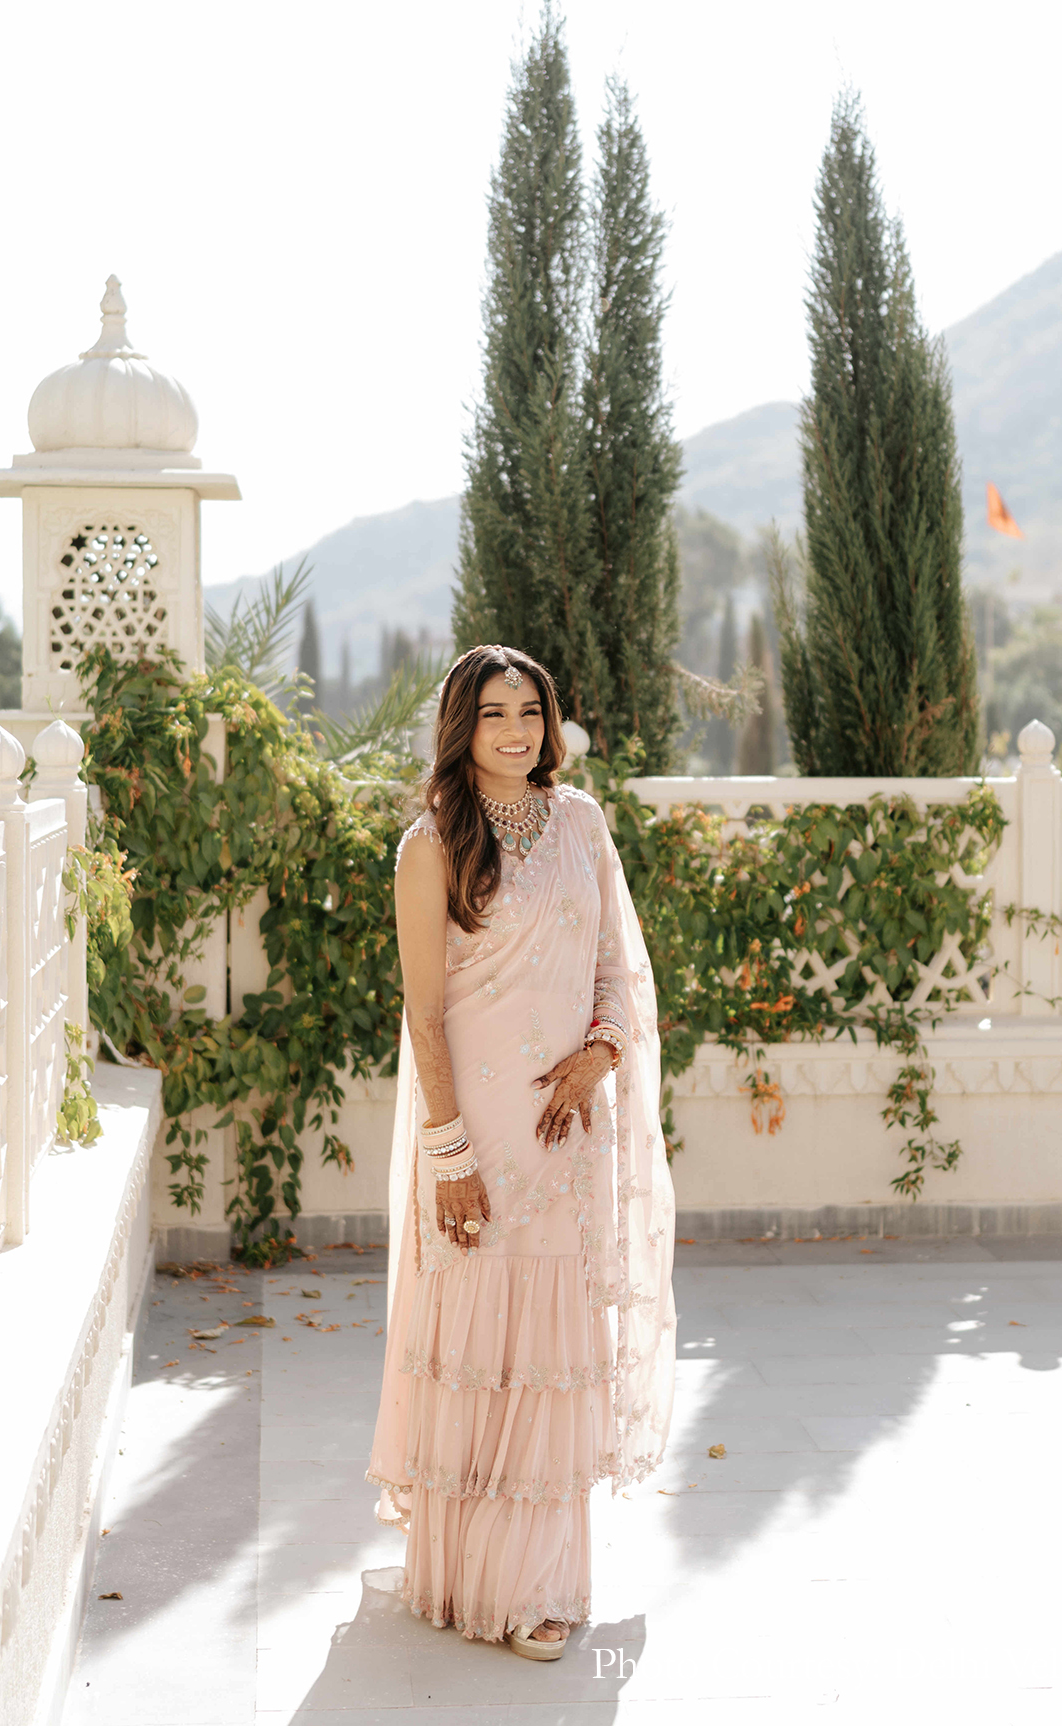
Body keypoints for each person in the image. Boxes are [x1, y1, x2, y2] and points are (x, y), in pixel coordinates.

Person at [365, 643, 676, 1660]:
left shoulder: (582, 823)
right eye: (494, 713)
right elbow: (424, 1015)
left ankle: (540, 1583)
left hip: (565, 1135)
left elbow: (617, 967)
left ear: (549, 724)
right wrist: (449, 1153)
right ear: (462, 726)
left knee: (549, 1354)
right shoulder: (431, 845)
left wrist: (600, 1054)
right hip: (477, 1139)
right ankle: (469, 1578)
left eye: (530, 711)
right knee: (476, 1351)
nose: (515, 731)